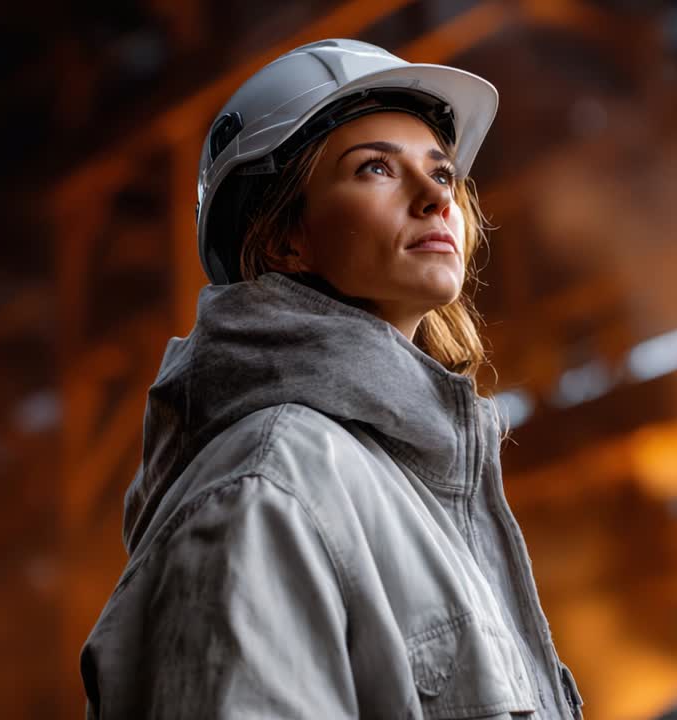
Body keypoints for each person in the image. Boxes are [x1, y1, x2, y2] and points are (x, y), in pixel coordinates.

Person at [79, 39, 585, 719]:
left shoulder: (406, 487)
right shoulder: (271, 481)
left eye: (442, 172)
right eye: (376, 167)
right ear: (286, 237)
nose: (436, 195)